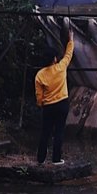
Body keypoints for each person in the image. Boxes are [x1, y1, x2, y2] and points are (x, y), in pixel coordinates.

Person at [35, 23, 73, 165]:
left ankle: (41, 159)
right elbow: (69, 54)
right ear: (54, 59)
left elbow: (39, 96)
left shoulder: (40, 75)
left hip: (48, 106)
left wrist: (41, 105)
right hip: (62, 103)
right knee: (59, 131)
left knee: (45, 132)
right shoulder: (61, 68)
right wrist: (71, 40)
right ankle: (56, 159)